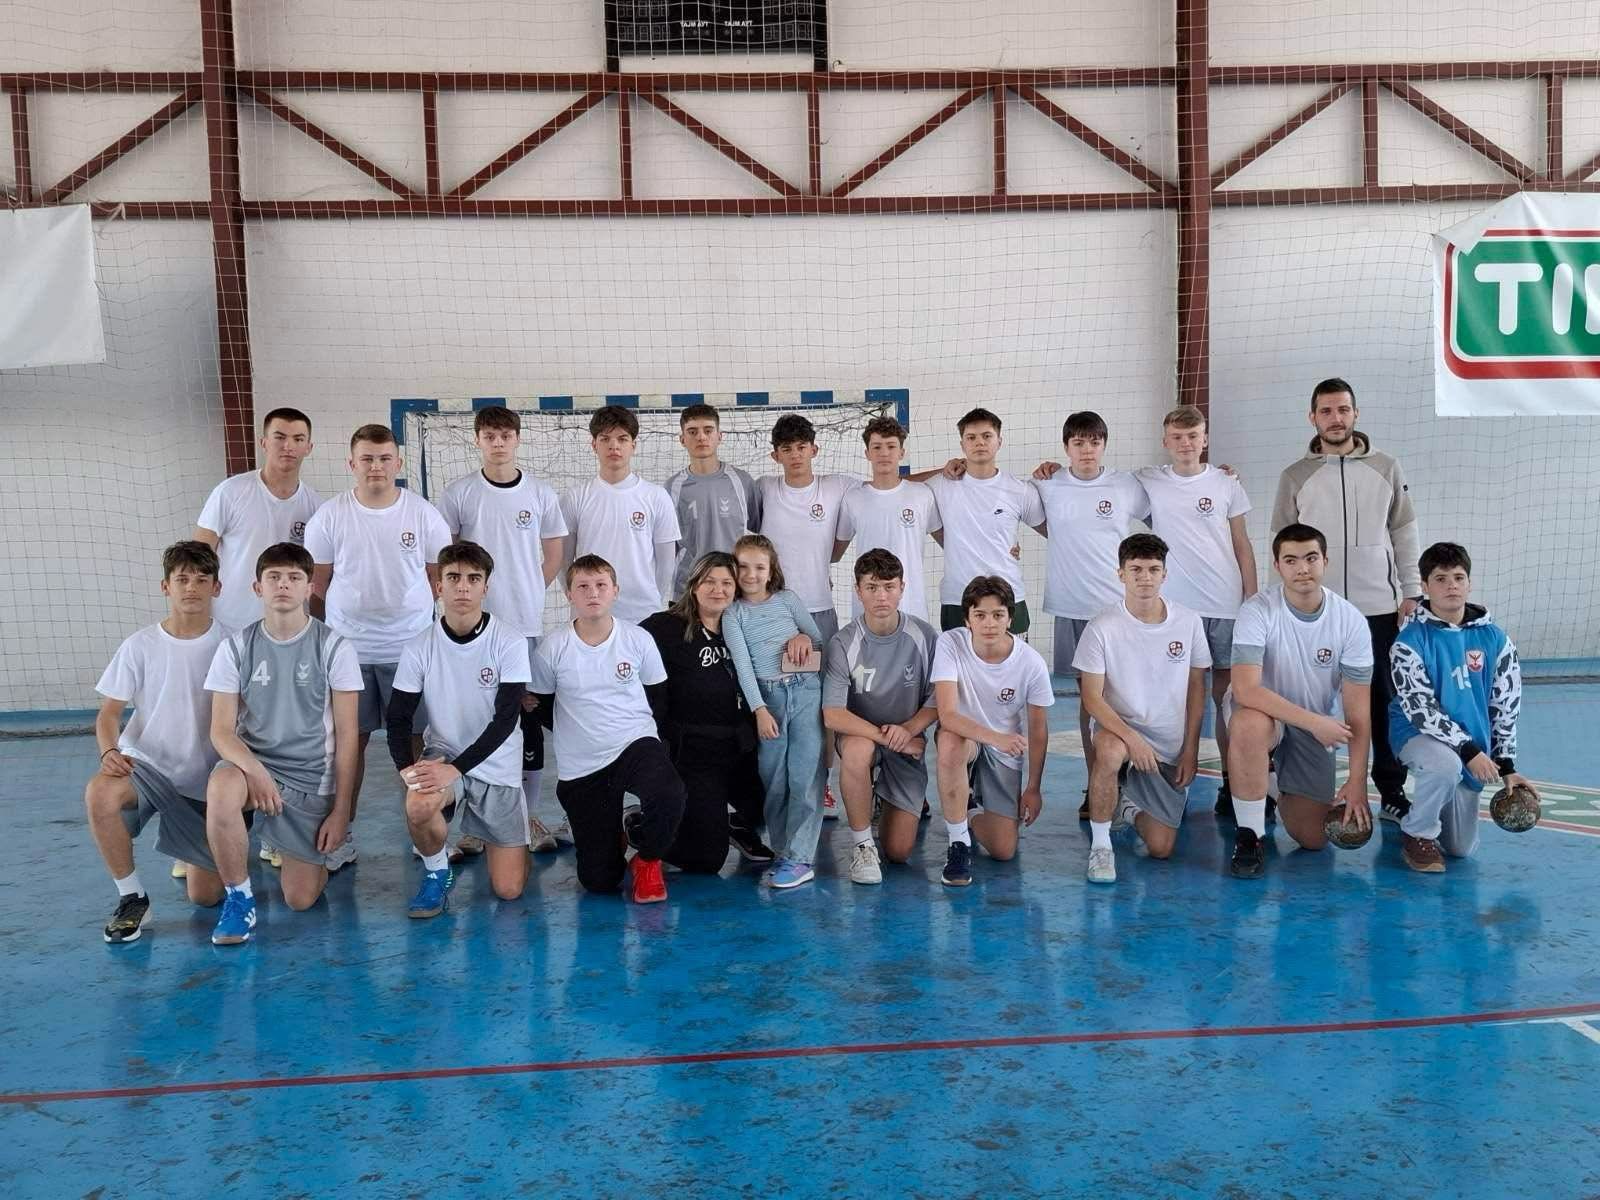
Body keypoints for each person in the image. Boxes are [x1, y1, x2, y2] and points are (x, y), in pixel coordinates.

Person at [1272, 378, 1423, 824]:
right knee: (1302, 697)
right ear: (1312, 417)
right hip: (1313, 610)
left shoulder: (1386, 467)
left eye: (1343, 410)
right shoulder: (1295, 475)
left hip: (1376, 608)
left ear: (1356, 413)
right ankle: (1286, 786)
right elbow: (1280, 542)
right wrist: (1276, 603)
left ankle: (1390, 789)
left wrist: (1411, 590)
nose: (1335, 418)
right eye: (1326, 411)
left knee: (1380, 700)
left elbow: (1403, 530)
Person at [304, 423, 451, 866]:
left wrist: (415, 621)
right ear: (351, 464)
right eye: (366, 458)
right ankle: (342, 831)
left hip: (410, 650)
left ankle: (423, 832)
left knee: (417, 742)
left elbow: (437, 577)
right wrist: (331, 638)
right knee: (349, 745)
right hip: (349, 653)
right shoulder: (330, 516)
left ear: (398, 463)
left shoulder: (423, 514)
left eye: (384, 458)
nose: (376, 466)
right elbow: (317, 585)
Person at [203, 543, 363, 945]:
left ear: (310, 587)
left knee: (300, 899)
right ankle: (239, 899)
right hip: (254, 768)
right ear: (257, 587)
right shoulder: (236, 647)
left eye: (294, 577)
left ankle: (312, 850)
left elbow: (348, 737)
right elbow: (221, 731)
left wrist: (341, 812)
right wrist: (255, 771)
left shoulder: (335, 647)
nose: (283, 585)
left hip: (309, 779)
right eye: (273, 577)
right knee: (221, 785)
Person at [194, 407, 323, 873]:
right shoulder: (231, 492)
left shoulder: (315, 506)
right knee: (220, 731)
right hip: (230, 633)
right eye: (280, 436)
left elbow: (316, 577)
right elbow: (200, 552)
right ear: (263, 442)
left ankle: (276, 830)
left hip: (286, 638)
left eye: (298, 438)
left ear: (309, 447)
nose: (288, 445)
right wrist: (198, 616)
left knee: (280, 731)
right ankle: (206, 835)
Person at [435, 404, 569, 853]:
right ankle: (476, 824)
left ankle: (525, 817)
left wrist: (528, 588)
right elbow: (447, 557)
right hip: (472, 628)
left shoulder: (541, 493)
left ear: (517, 439)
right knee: (477, 719)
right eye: (489, 435)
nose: (498, 443)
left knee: (525, 717)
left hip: (523, 625)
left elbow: (554, 552)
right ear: (477, 440)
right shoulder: (459, 493)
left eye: (505, 435)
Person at [85, 541, 230, 943]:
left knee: (205, 897)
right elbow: (108, 714)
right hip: (146, 766)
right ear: (166, 587)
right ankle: (132, 897)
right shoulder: (140, 645)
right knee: (100, 792)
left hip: (205, 780)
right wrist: (109, 750)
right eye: (182, 579)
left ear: (217, 587)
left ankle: (194, 842)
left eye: (202, 579)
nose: (191, 588)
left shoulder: (232, 645)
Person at [386, 542, 532, 917]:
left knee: (509, 890)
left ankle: (513, 844)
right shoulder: (420, 645)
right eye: (453, 578)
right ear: (439, 587)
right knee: (418, 803)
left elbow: (505, 721)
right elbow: (398, 717)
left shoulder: (510, 641)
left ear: (486, 587)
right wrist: (407, 770)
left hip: (496, 762)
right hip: (444, 754)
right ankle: (437, 872)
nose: (463, 587)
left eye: (473, 578)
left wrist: (456, 769)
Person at [529, 555, 686, 902]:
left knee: (669, 792)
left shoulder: (638, 639)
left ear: (615, 590)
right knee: (599, 881)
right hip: (583, 763)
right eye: (583, 586)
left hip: (634, 743)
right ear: (569, 594)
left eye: (601, 585)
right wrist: (580, 731)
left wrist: (649, 741)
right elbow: (540, 704)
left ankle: (647, 860)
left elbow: (658, 698)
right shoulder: (552, 648)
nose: (593, 593)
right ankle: (615, 833)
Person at [1224, 523, 1375, 880]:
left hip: (1313, 722)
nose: (1302, 568)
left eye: (1310, 558)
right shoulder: (1257, 610)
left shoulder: (1350, 621)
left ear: (1325, 561)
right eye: (1291, 560)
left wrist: (1358, 781)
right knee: (1248, 724)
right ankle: (1250, 835)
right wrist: (1314, 723)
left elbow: (1358, 713)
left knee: (1313, 838)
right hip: (1266, 714)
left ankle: (1271, 784)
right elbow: (1246, 691)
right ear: (1278, 566)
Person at [1028, 411, 1151, 816]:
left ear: (1104, 445)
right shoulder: (1048, 484)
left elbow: (1168, 511)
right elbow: (1031, 519)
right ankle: (1096, 783)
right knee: (1088, 701)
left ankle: (1130, 783)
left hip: (1118, 611)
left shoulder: (1125, 485)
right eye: (1078, 443)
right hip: (1071, 609)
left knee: (1125, 697)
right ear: (1066, 447)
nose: (1086, 450)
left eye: (1094, 442)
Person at [1135, 405, 1256, 815]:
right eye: (1177, 437)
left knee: (1228, 698)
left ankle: (1231, 782)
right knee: (1173, 696)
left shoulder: (1226, 483)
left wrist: (1251, 602)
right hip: (1176, 611)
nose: (1185, 443)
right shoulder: (1149, 481)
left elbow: (1242, 544)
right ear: (1165, 441)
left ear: (1204, 439)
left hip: (1226, 605)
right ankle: (1168, 783)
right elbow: (1099, 488)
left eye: (1193, 436)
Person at [1387, 542, 1534, 873]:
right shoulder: (1409, 642)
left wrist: (1506, 764)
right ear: (1425, 587)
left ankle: (1429, 807)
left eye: (1458, 577)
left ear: (1469, 583)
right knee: (1444, 766)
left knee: (1460, 849)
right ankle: (1417, 833)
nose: (1451, 586)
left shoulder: (1496, 639)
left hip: (1470, 743)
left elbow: (1505, 704)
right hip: (1415, 732)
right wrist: (1469, 751)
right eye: (1440, 579)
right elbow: (1422, 710)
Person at [1073, 534, 1210, 884]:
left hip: (1167, 742)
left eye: (1153, 569)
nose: (1145, 577)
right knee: (1109, 750)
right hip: (1120, 730)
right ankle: (1101, 846)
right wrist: (1132, 739)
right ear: (1121, 574)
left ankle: (1126, 806)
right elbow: (1092, 698)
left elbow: (1197, 688)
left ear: (1165, 574)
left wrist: (1191, 749)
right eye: (1135, 569)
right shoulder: (1101, 627)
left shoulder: (1189, 621)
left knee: (1161, 848)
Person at [641, 551, 773, 870]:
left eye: (726, 583)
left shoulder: (742, 626)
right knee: (706, 858)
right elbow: (623, 648)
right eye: (709, 582)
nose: (718, 590)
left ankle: (738, 825)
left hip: (740, 746)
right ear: (694, 586)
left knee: (778, 794)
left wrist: (801, 638)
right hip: (694, 752)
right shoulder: (665, 627)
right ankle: (643, 828)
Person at [754, 412, 854, 818]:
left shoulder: (836, 487)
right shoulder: (763, 490)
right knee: (773, 701)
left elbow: (889, 486)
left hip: (818, 613)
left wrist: (946, 470)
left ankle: (821, 785)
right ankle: (772, 789)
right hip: (771, 615)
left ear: (814, 449)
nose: (795, 455)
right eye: (786, 449)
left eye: (801, 447)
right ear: (775, 455)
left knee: (820, 705)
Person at [822, 549, 940, 883]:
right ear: (858, 591)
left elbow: (938, 699)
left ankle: (880, 800)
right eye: (872, 587)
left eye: (889, 586)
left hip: (907, 740)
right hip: (864, 737)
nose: (881, 596)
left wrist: (910, 729)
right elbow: (833, 715)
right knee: (857, 751)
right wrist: (890, 739)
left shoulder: (924, 636)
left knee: (899, 852)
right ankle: (862, 846)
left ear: (902, 587)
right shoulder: (843, 642)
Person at [930, 576, 1054, 887]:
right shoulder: (950, 644)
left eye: (998, 615)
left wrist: (1033, 788)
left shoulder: (1031, 663)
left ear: (1010, 618)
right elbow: (947, 716)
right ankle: (958, 844)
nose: (989, 623)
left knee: (1003, 850)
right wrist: (997, 737)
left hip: (1003, 752)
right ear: (967, 619)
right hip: (968, 738)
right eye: (980, 615)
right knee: (950, 743)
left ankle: (968, 806)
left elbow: (1038, 730)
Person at [723, 533, 826, 889]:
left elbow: (817, 639)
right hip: (769, 700)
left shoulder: (787, 600)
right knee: (775, 780)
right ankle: (784, 849)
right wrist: (760, 710)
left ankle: (800, 858)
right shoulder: (733, 614)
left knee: (805, 777)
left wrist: (802, 638)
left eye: (759, 567)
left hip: (805, 691)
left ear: (771, 571)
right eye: (743, 567)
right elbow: (743, 667)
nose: (751, 575)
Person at [914, 407, 1045, 634]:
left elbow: (1057, 533)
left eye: (987, 436)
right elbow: (897, 486)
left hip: (1008, 595)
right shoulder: (941, 485)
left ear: (999, 441)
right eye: (971, 437)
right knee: (960, 659)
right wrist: (941, 470)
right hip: (958, 598)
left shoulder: (1020, 490)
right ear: (962, 444)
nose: (979, 443)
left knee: (1012, 658)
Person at [558, 405, 680, 624]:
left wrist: (653, 599)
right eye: (605, 439)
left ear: (633, 445)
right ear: (594, 445)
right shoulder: (575, 497)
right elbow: (563, 560)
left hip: (643, 613)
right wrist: (579, 598)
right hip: (591, 614)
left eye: (622, 439)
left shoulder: (656, 496)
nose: (614, 446)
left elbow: (666, 563)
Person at [834, 415, 941, 623]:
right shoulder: (853, 498)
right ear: (867, 453)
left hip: (911, 606)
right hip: (868, 609)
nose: (884, 453)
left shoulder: (922, 495)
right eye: (877, 447)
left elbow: (950, 542)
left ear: (902, 452)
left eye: (891, 446)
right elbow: (835, 553)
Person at [665, 403, 762, 599]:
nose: (701, 437)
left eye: (708, 430)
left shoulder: (742, 481)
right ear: (682, 439)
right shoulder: (672, 487)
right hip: (688, 590)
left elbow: (758, 533)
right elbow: (667, 547)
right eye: (692, 432)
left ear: (719, 436)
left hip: (734, 588)